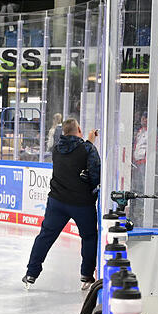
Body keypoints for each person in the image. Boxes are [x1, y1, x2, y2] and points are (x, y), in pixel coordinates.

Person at [23, 119, 100, 291]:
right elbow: (95, 174)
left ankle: (31, 273)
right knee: (88, 237)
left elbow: (73, 155)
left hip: (57, 201)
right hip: (82, 203)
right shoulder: (87, 149)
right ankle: (86, 274)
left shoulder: (56, 149)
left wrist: (87, 143)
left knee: (45, 236)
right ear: (79, 129)